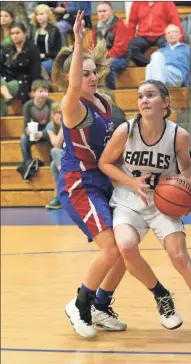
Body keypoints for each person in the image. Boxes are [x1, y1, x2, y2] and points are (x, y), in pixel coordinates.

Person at [99, 79, 191, 347]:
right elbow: (105, 162)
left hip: (163, 201)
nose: (144, 100)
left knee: (180, 257)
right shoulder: (125, 131)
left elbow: (186, 167)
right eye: (140, 96)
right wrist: (131, 182)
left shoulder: (178, 135)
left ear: (165, 103)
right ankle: (161, 294)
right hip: (129, 199)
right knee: (126, 247)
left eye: (150, 95)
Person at [51, 10, 127, 338]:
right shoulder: (73, 107)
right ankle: (79, 304)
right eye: (83, 74)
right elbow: (72, 84)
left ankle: (100, 306)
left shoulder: (106, 102)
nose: (91, 78)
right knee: (110, 249)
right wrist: (79, 42)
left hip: (102, 180)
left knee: (126, 247)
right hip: (79, 184)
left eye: (93, 72)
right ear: (72, 78)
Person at [0, 22, 41, 116]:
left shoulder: (32, 49)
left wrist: (34, 89)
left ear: (25, 33)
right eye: (12, 34)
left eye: (17, 33)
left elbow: (36, 71)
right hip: (6, 81)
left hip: (22, 82)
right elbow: (1, 68)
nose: (14, 36)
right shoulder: (7, 49)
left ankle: (4, 113)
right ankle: (6, 96)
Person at [128, 1, 184, 67]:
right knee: (128, 48)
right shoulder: (137, 3)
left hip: (162, 34)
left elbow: (175, 20)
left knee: (170, 47)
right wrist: (129, 39)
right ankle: (150, 66)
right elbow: (131, 23)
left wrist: (179, 39)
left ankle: (165, 67)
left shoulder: (167, 2)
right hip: (143, 36)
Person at [17, 80, 53, 182]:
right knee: (23, 138)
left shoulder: (51, 104)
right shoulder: (28, 106)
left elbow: (53, 125)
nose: (44, 94)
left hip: (48, 131)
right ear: (33, 93)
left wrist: (43, 133)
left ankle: (52, 163)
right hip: (34, 131)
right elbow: (25, 126)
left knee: (52, 134)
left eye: (46, 91)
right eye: (41, 91)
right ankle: (28, 165)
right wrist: (27, 131)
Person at [91, 1, 130, 90]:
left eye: (104, 11)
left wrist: (103, 58)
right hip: (103, 58)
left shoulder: (119, 25)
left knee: (108, 66)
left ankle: (110, 93)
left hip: (120, 58)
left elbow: (120, 48)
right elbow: (93, 46)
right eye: (99, 11)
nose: (101, 14)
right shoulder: (95, 27)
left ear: (111, 11)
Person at [30, 4, 62, 74]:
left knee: (39, 67)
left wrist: (44, 55)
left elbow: (58, 51)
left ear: (48, 15)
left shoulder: (54, 30)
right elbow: (29, 45)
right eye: (37, 14)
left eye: (41, 14)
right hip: (35, 59)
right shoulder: (33, 29)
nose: (39, 17)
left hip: (50, 59)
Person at [45, 101, 64, 210]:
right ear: (52, 114)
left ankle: (56, 197)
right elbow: (56, 143)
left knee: (54, 154)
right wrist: (63, 127)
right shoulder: (50, 126)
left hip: (74, 156)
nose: (60, 115)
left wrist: (65, 124)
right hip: (61, 160)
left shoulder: (72, 123)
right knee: (54, 156)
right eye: (58, 113)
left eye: (62, 113)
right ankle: (65, 175)